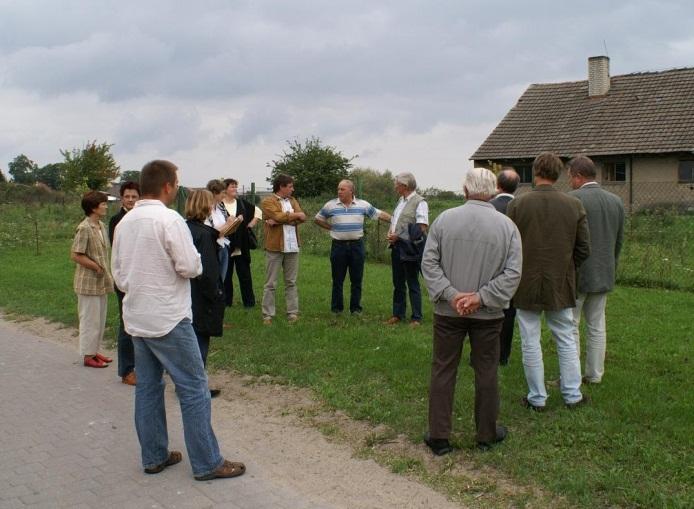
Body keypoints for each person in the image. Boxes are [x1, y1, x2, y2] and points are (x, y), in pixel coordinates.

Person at [111, 160, 245, 481]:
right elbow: (190, 266)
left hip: (137, 317)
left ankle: (154, 455)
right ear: (169, 186)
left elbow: (118, 274)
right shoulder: (169, 219)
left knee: (148, 388)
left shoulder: (125, 222)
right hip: (169, 318)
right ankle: (207, 462)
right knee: (194, 388)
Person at [421, 168, 522, 455]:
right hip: (487, 314)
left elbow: (428, 264)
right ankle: (487, 434)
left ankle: (439, 435)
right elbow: (513, 273)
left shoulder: (444, 220)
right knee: (486, 370)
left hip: (449, 312)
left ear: (465, 190)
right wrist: (478, 298)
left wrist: (454, 296)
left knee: (443, 368)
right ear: (491, 192)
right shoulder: (507, 227)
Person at [507, 152, 591, 411]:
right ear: (557, 174)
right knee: (565, 337)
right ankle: (572, 395)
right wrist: (565, 268)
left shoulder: (518, 205)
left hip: (525, 281)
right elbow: (584, 248)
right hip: (560, 281)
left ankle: (537, 398)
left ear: (534, 172)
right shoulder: (573, 205)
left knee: (530, 339)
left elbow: (508, 246)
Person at [567, 155, 625, 384]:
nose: (569, 181)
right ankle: (594, 374)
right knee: (597, 325)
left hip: (578, 273)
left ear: (579, 176)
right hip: (604, 271)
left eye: (571, 176)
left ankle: (571, 376)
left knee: (570, 325)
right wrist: (611, 265)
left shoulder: (572, 199)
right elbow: (619, 241)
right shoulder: (616, 201)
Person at [314, 179, 391, 315]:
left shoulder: (363, 205)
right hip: (338, 247)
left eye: (342, 189)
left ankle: (355, 309)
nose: (339, 192)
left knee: (357, 279)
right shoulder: (331, 205)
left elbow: (378, 214)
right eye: (338, 189)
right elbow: (318, 219)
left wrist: (395, 219)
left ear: (351, 191)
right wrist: (331, 227)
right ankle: (337, 309)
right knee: (337, 279)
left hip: (357, 246)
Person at [185, 189, 226, 398]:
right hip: (200, 296)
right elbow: (208, 270)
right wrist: (217, 293)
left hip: (184, 292)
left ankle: (188, 383)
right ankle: (197, 388)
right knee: (199, 340)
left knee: (189, 338)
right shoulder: (204, 234)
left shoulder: (184, 228)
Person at [71, 191, 115, 368]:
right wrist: (96, 267)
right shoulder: (84, 228)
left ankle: (94, 350)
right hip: (88, 282)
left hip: (101, 282)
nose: (106, 206)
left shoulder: (101, 226)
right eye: (103, 204)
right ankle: (88, 356)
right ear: (93, 207)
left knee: (100, 318)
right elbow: (75, 255)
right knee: (89, 320)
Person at [260, 174, 306, 325]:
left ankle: (292, 313)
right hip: (274, 247)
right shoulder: (268, 201)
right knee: (271, 283)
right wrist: (293, 216)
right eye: (290, 186)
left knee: (291, 282)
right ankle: (267, 315)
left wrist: (284, 219)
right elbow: (277, 216)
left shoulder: (293, 201)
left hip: (292, 247)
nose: (293, 189)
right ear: (281, 187)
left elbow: (302, 217)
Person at [385, 172, 429, 326]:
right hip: (397, 247)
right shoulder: (400, 201)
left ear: (404, 185)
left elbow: (421, 227)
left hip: (411, 249)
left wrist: (399, 236)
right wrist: (390, 231)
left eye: (397, 184)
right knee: (397, 282)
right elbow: (396, 221)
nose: (395, 186)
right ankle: (398, 314)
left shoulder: (420, 202)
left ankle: (416, 317)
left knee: (412, 282)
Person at [108, 181, 140, 385]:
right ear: (122, 198)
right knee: (126, 324)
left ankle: (143, 366)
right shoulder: (116, 220)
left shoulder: (141, 218)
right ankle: (127, 370)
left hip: (141, 278)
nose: (130, 200)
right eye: (127, 196)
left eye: (133, 196)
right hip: (124, 278)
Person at [489, 168, 520, 365]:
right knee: (509, 312)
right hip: (514, 265)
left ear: (498, 186)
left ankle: (483, 353)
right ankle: (503, 355)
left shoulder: (488, 206)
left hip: (490, 264)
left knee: (486, 310)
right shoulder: (522, 205)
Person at [222, 178, 258, 308]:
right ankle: (226, 302)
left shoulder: (242, 203)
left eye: (236, 186)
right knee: (226, 275)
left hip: (242, 244)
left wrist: (250, 225)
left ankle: (249, 303)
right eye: (232, 187)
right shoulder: (219, 205)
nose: (235, 189)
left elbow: (258, 212)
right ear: (225, 189)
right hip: (225, 244)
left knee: (245, 274)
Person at [206, 179, 235, 284]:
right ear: (214, 193)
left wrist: (234, 223)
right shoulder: (205, 209)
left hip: (223, 246)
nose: (225, 195)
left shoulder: (221, 206)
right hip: (212, 249)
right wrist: (228, 224)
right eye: (222, 192)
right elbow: (211, 233)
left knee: (221, 281)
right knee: (213, 282)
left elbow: (226, 227)